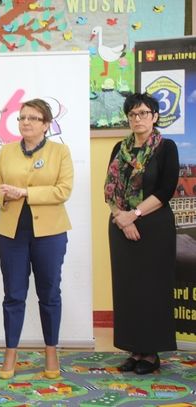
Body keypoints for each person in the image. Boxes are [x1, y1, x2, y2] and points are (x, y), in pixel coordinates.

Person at [0, 98, 73, 380]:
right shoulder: (6, 151)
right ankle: (10, 352)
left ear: (46, 125)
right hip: (12, 234)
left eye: (33, 118)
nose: (25, 122)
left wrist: (25, 193)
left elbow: (63, 191)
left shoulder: (60, 152)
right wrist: (3, 195)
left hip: (50, 234)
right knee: (13, 295)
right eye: (22, 117)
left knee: (49, 293)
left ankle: (51, 350)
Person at [104, 92, 179, 375]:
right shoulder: (119, 148)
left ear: (155, 116)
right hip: (120, 226)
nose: (138, 118)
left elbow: (166, 190)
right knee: (127, 290)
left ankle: (151, 353)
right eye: (133, 114)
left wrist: (134, 215)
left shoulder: (166, 148)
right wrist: (122, 219)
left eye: (144, 113)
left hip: (154, 226)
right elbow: (109, 189)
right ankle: (134, 350)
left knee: (152, 289)